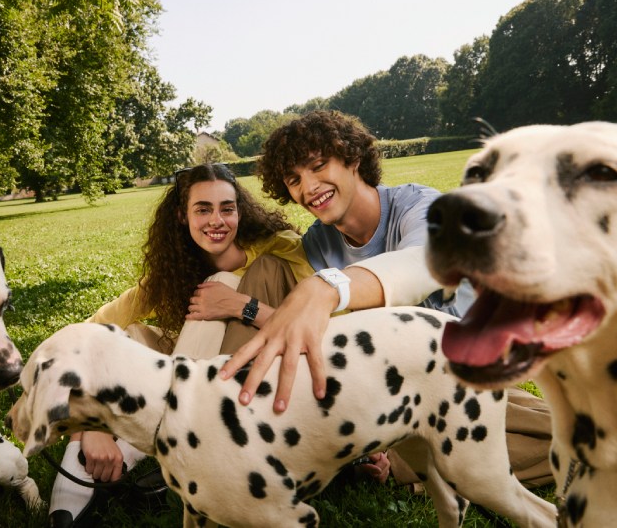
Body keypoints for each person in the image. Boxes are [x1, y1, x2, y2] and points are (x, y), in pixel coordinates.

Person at [220, 110, 553, 489]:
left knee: (558, 440)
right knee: (272, 273)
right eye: (294, 180)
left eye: (318, 166)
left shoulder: (419, 206)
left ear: (353, 158)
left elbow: (422, 263)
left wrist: (329, 286)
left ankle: (405, 463)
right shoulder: (317, 242)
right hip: (385, 380)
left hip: (457, 371)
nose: (309, 187)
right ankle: (240, 428)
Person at [49, 163, 314, 527]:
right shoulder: (174, 268)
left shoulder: (281, 248)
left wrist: (240, 306)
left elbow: (320, 329)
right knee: (128, 337)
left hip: (263, 381)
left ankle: (135, 450)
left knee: (220, 282)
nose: (216, 220)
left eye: (227, 208)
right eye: (203, 209)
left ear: (241, 210)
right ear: (181, 216)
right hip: (198, 376)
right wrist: (92, 424)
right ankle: (96, 443)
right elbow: (94, 328)